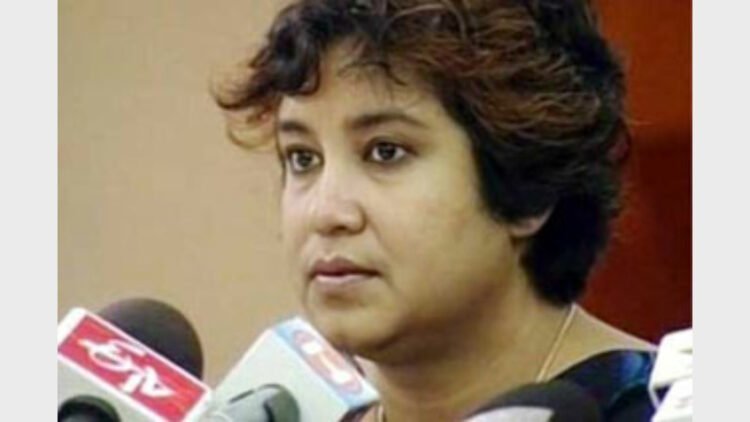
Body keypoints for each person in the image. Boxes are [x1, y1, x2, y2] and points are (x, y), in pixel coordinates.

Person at [211, 0, 656, 420]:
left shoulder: (661, 406)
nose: (325, 213)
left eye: (385, 152)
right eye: (303, 157)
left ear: (530, 187)